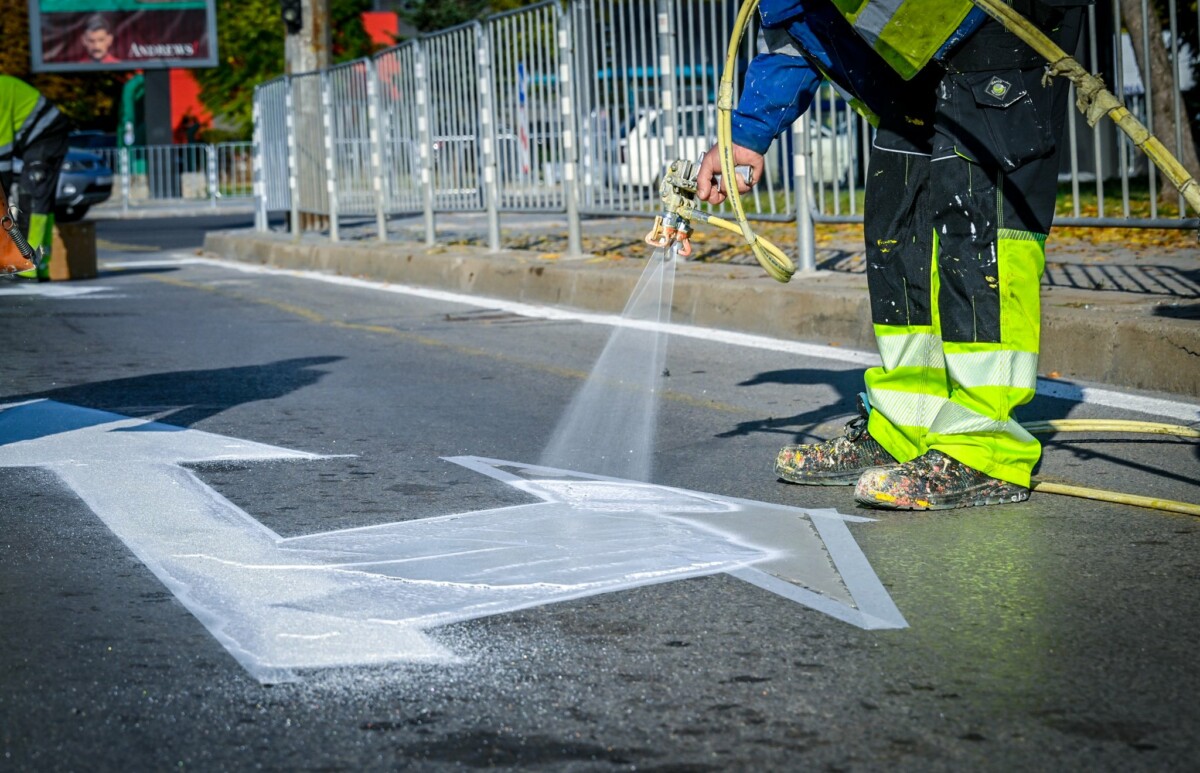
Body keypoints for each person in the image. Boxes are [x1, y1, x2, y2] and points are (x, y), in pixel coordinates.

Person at [696, 0, 1087, 511]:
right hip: (917, 57)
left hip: (997, 26)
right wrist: (748, 133)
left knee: (979, 230)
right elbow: (800, 17)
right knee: (899, 228)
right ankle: (905, 426)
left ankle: (984, 447)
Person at [0, 75, 72, 282]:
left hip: (47, 137)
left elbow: (2, 153)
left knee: (32, 198)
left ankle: (28, 266)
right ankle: (41, 265)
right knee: (43, 202)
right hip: (47, 137)